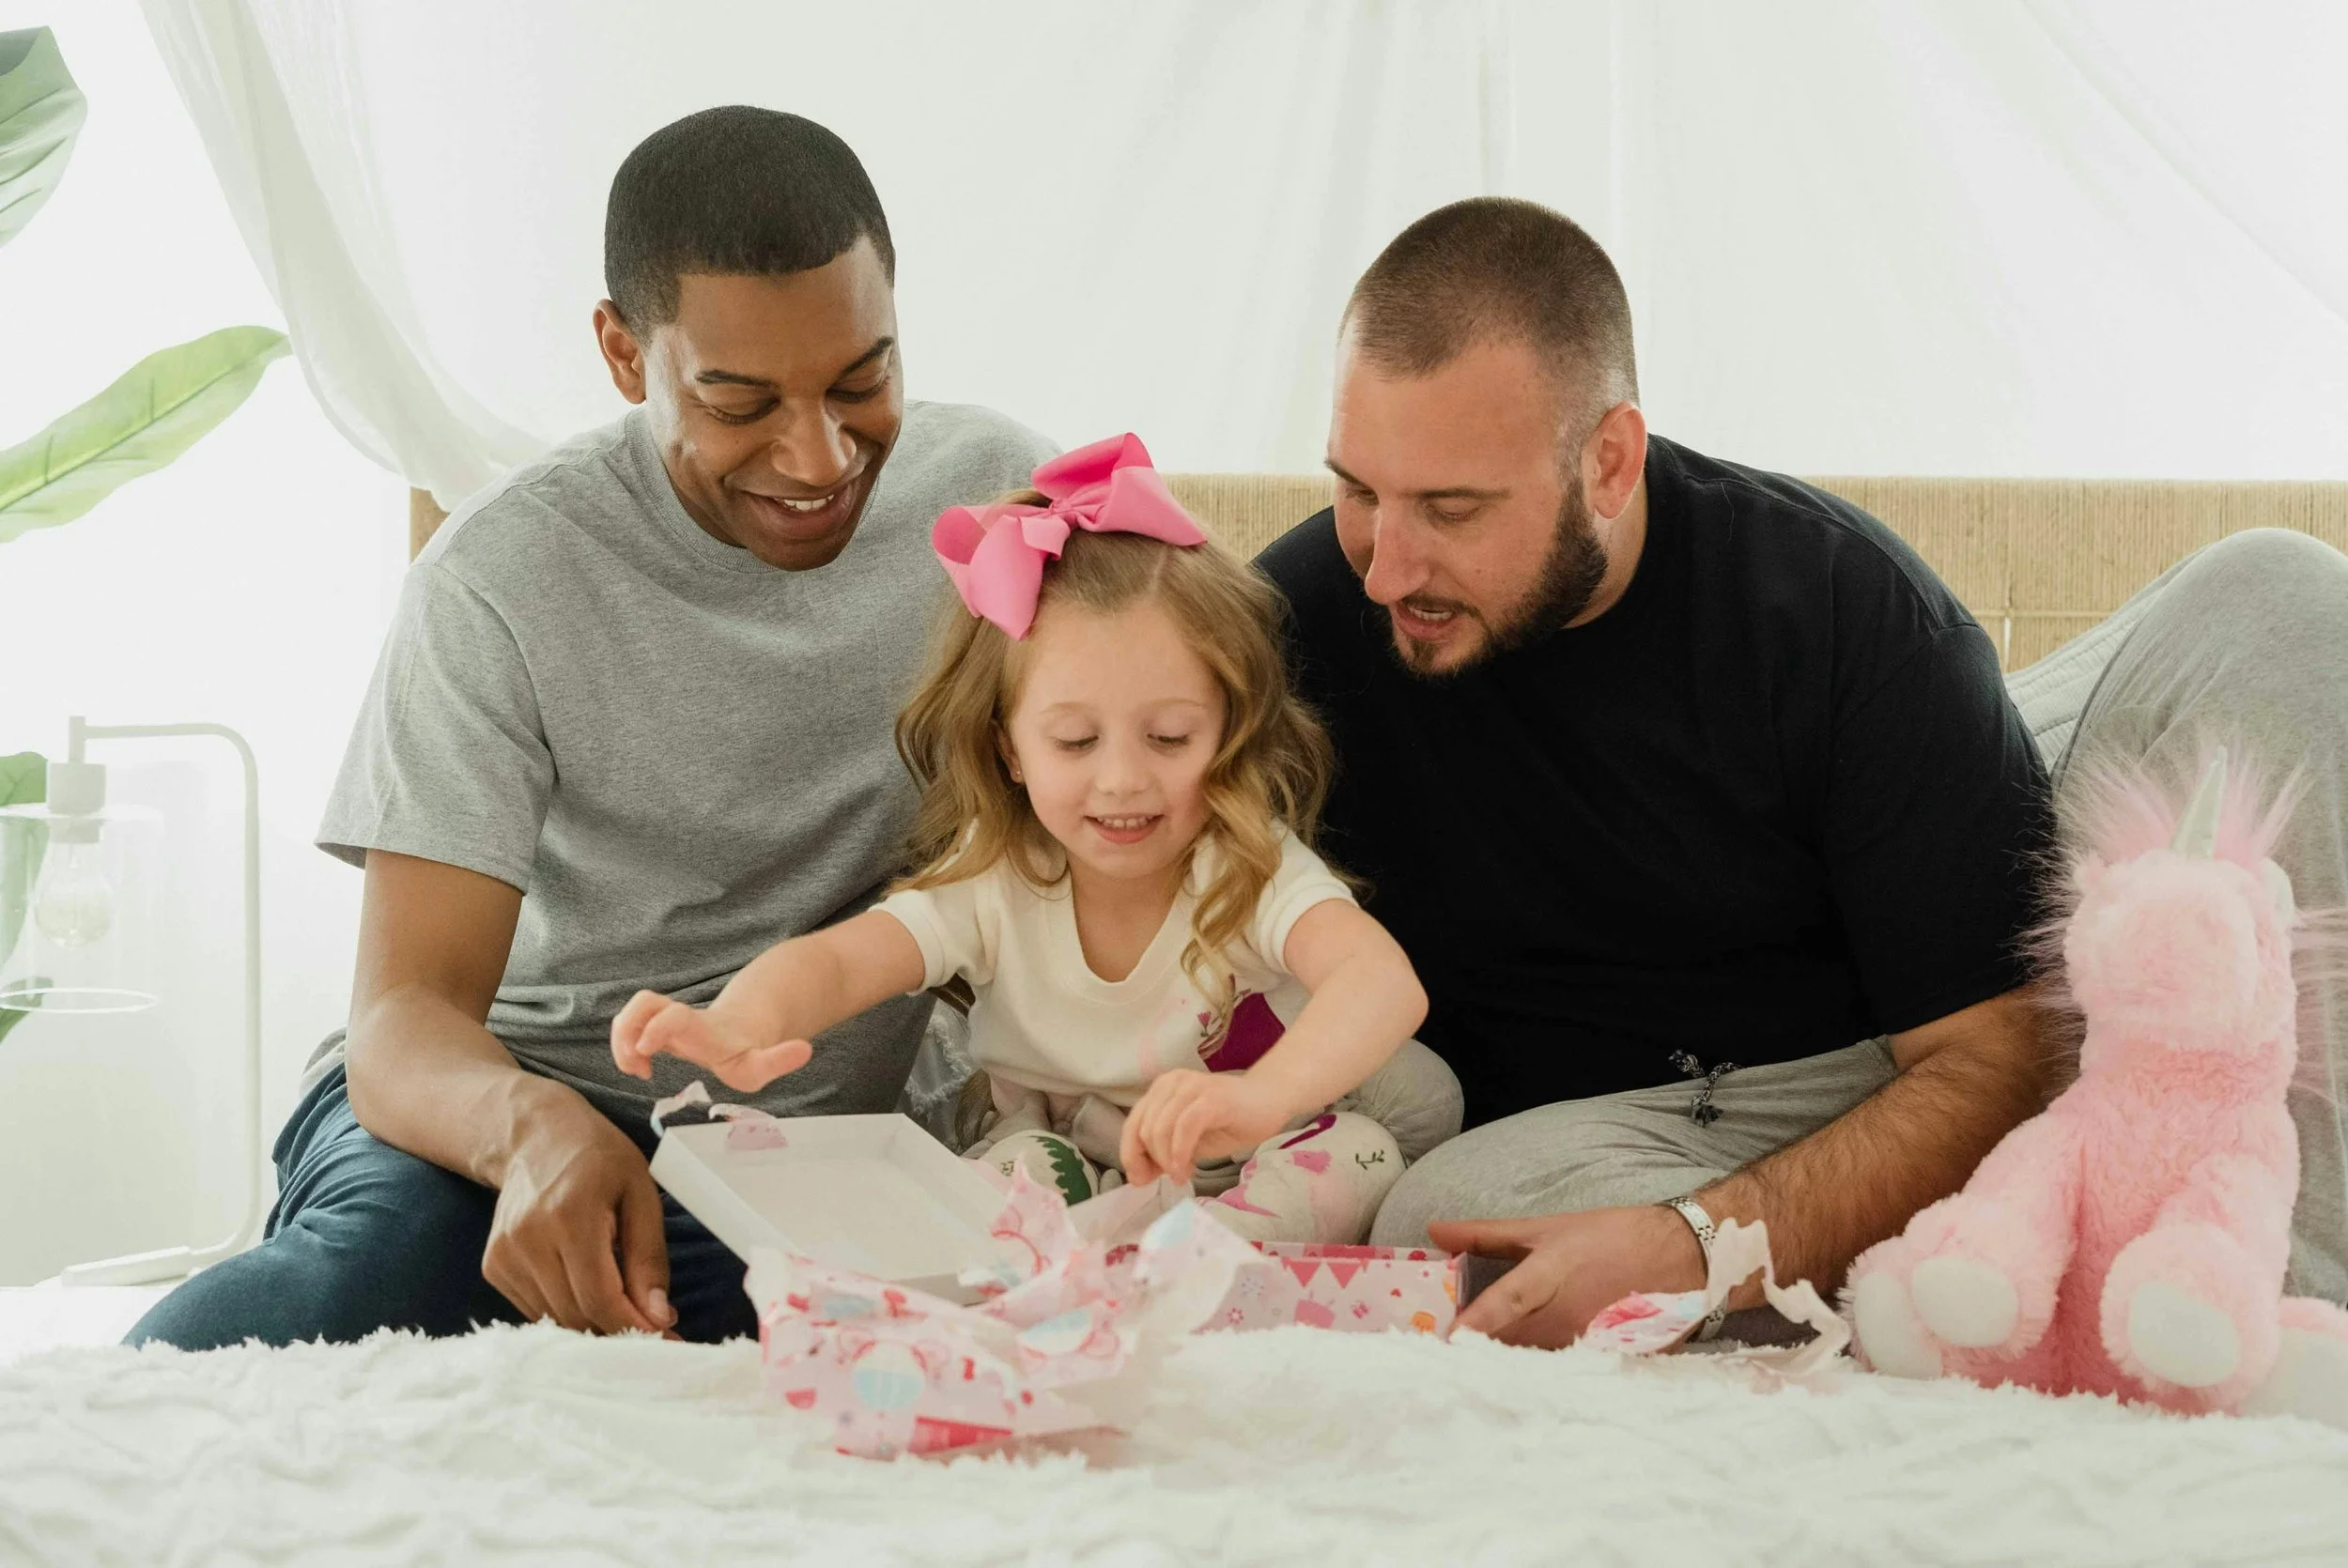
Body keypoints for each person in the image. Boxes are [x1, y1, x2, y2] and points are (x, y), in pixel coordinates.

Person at [1259, 196, 2348, 1346]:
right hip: (1601, 1130)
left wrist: (1700, 1243)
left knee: (2278, 597)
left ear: (1610, 462)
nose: (1384, 567)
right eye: (1356, 488)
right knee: (1454, 1226)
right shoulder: (1295, 622)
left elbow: (2000, 1050)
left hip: (1877, 1043)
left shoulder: (1834, 611)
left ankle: (2292, 1306)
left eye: (1450, 508)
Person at [128, 107, 1058, 1350]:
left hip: (812, 1155)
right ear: (624, 355)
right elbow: (403, 1014)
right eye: (739, 400)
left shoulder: (995, 500)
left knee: (882, 1354)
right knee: (351, 1295)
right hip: (498, 1113)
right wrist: (529, 1128)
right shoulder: (500, 580)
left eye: (861, 380)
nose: (821, 454)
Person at [614, 435, 1461, 1242]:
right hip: (1062, 1153)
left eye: (1169, 737)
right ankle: (1097, 1264)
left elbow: (1380, 983)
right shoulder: (991, 879)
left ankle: (1186, 1267)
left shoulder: (1245, 860)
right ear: (1006, 748)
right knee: (1007, 1175)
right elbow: (840, 962)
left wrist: (1263, 1098)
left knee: (1363, 1158)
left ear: (1229, 731)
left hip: (1250, 1152)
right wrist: (737, 1019)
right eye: (1074, 742)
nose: (1124, 780)